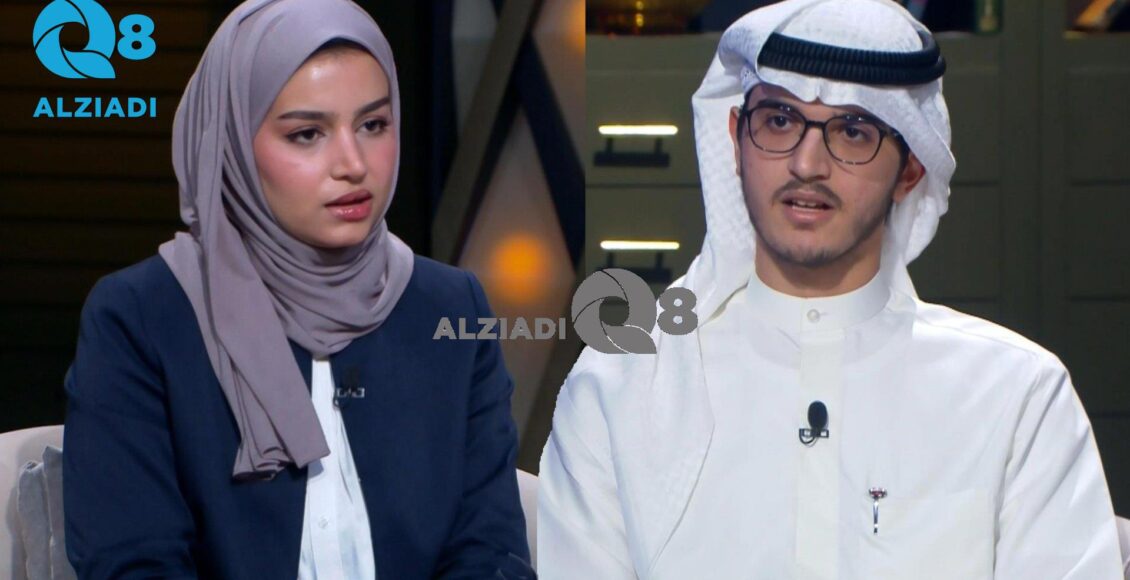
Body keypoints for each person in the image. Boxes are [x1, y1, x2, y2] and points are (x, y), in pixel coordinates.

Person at [537, 0, 1123, 578]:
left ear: (911, 169)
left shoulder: (1015, 395)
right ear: (736, 140)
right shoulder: (619, 387)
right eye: (779, 121)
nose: (807, 164)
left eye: (852, 131)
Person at [61, 0, 534, 578]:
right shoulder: (142, 316)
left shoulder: (451, 306)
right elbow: (134, 562)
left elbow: (490, 551)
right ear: (233, 143)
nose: (353, 164)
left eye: (373, 125)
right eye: (307, 134)